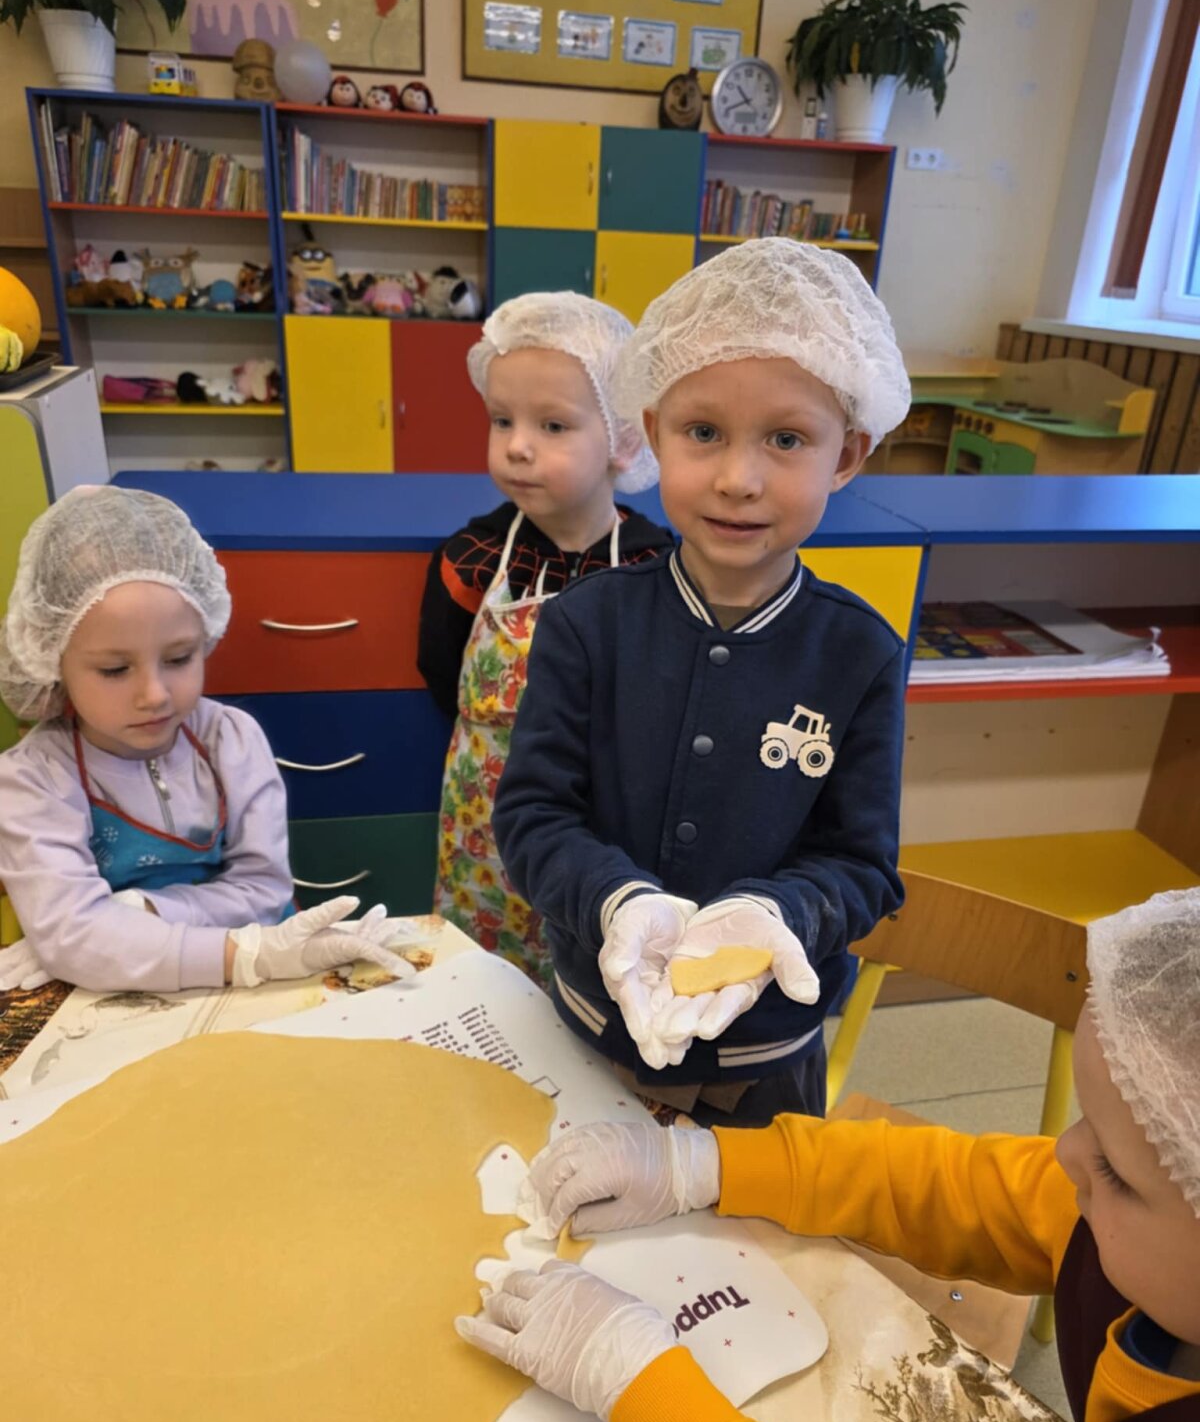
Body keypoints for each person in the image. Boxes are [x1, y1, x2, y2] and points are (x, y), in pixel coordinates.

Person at [459, 888, 1200, 1422]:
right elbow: (957, 1186)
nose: (1066, 1153)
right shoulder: (1143, 1219)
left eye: (1116, 1169)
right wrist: (708, 1164)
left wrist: (654, 1400)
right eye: (1085, 1121)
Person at [493, 241, 911, 1122]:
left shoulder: (860, 653)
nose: (737, 479)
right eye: (704, 433)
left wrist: (775, 913)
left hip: (765, 1062)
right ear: (652, 434)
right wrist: (617, 901)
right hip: (590, 1033)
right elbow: (533, 816)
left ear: (847, 455)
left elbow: (863, 865)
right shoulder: (585, 625)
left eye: (786, 439)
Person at [0, 486, 412, 995]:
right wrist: (239, 953)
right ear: (52, 660)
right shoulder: (34, 780)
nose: (155, 694)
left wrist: (140, 914)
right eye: (114, 669)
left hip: (267, 970)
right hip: (138, 989)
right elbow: (73, 934)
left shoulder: (230, 739)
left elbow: (263, 890)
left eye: (179, 659)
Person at [420, 292, 670, 988]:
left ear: (623, 439)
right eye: (502, 420)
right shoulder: (471, 558)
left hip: (595, 830)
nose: (517, 445)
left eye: (553, 425)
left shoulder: (652, 571)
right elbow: (440, 672)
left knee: (584, 982)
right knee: (480, 987)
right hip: (481, 830)